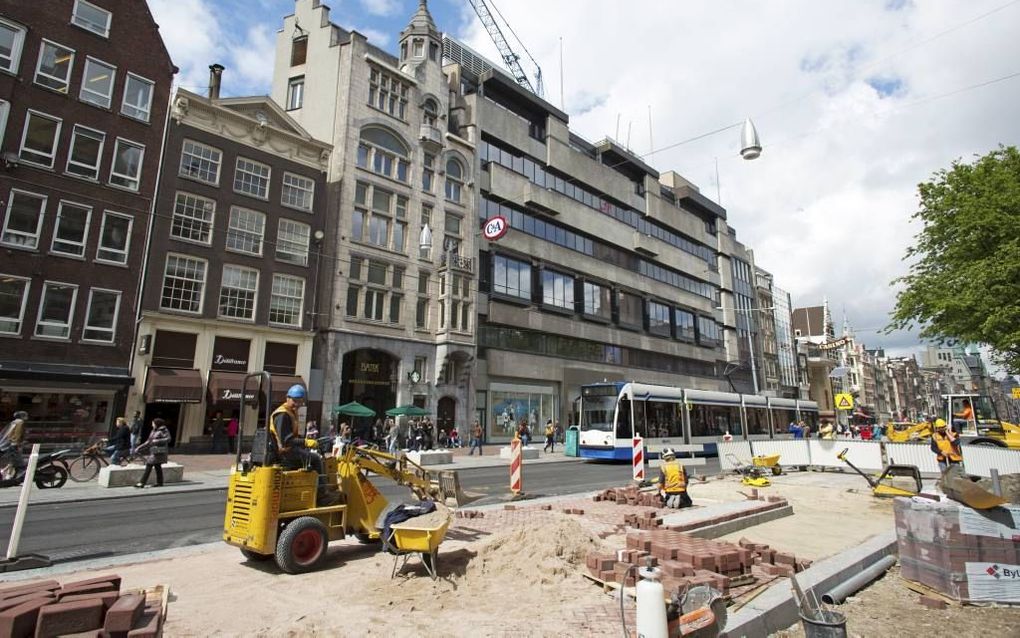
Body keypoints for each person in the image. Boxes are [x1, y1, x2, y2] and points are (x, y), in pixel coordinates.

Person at [269, 385, 338, 504]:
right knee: (316, 459)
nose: (297, 404)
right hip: (285, 454)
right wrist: (306, 442)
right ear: (287, 398)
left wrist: (304, 442)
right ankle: (322, 495)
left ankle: (320, 486)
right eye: (295, 401)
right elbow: (286, 440)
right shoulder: (283, 414)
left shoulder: (289, 412)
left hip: (287, 451)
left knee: (311, 456)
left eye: (300, 401)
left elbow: (292, 437)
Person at [134, 418, 171, 488]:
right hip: (153, 451)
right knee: (157, 466)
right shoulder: (153, 431)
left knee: (149, 465)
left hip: (159, 451)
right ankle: (160, 482)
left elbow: (168, 439)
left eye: (153, 423)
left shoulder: (164, 430)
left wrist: (157, 441)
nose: (152, 424)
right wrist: (139, 447)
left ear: (157, 424)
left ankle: (142, 482)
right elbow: (148, 441)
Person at [0, 411, 28, 477]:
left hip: (8, 443)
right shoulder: (20, 422)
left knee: (13, 460)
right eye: (25, 415)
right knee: (18, 461)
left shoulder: (13, 422)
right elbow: (17, 433)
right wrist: (15, 442)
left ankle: (11, 474)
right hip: (13, 444)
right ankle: (18, 473)